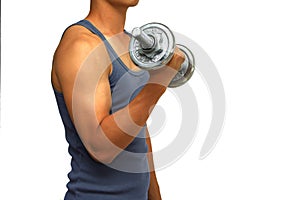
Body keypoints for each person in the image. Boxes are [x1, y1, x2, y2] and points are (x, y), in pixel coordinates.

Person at [51, 0, 185, 199]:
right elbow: (100, 147)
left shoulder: (131, 43)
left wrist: (155, 196)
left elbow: (138, 126)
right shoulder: (81, 46)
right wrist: (159, 82)